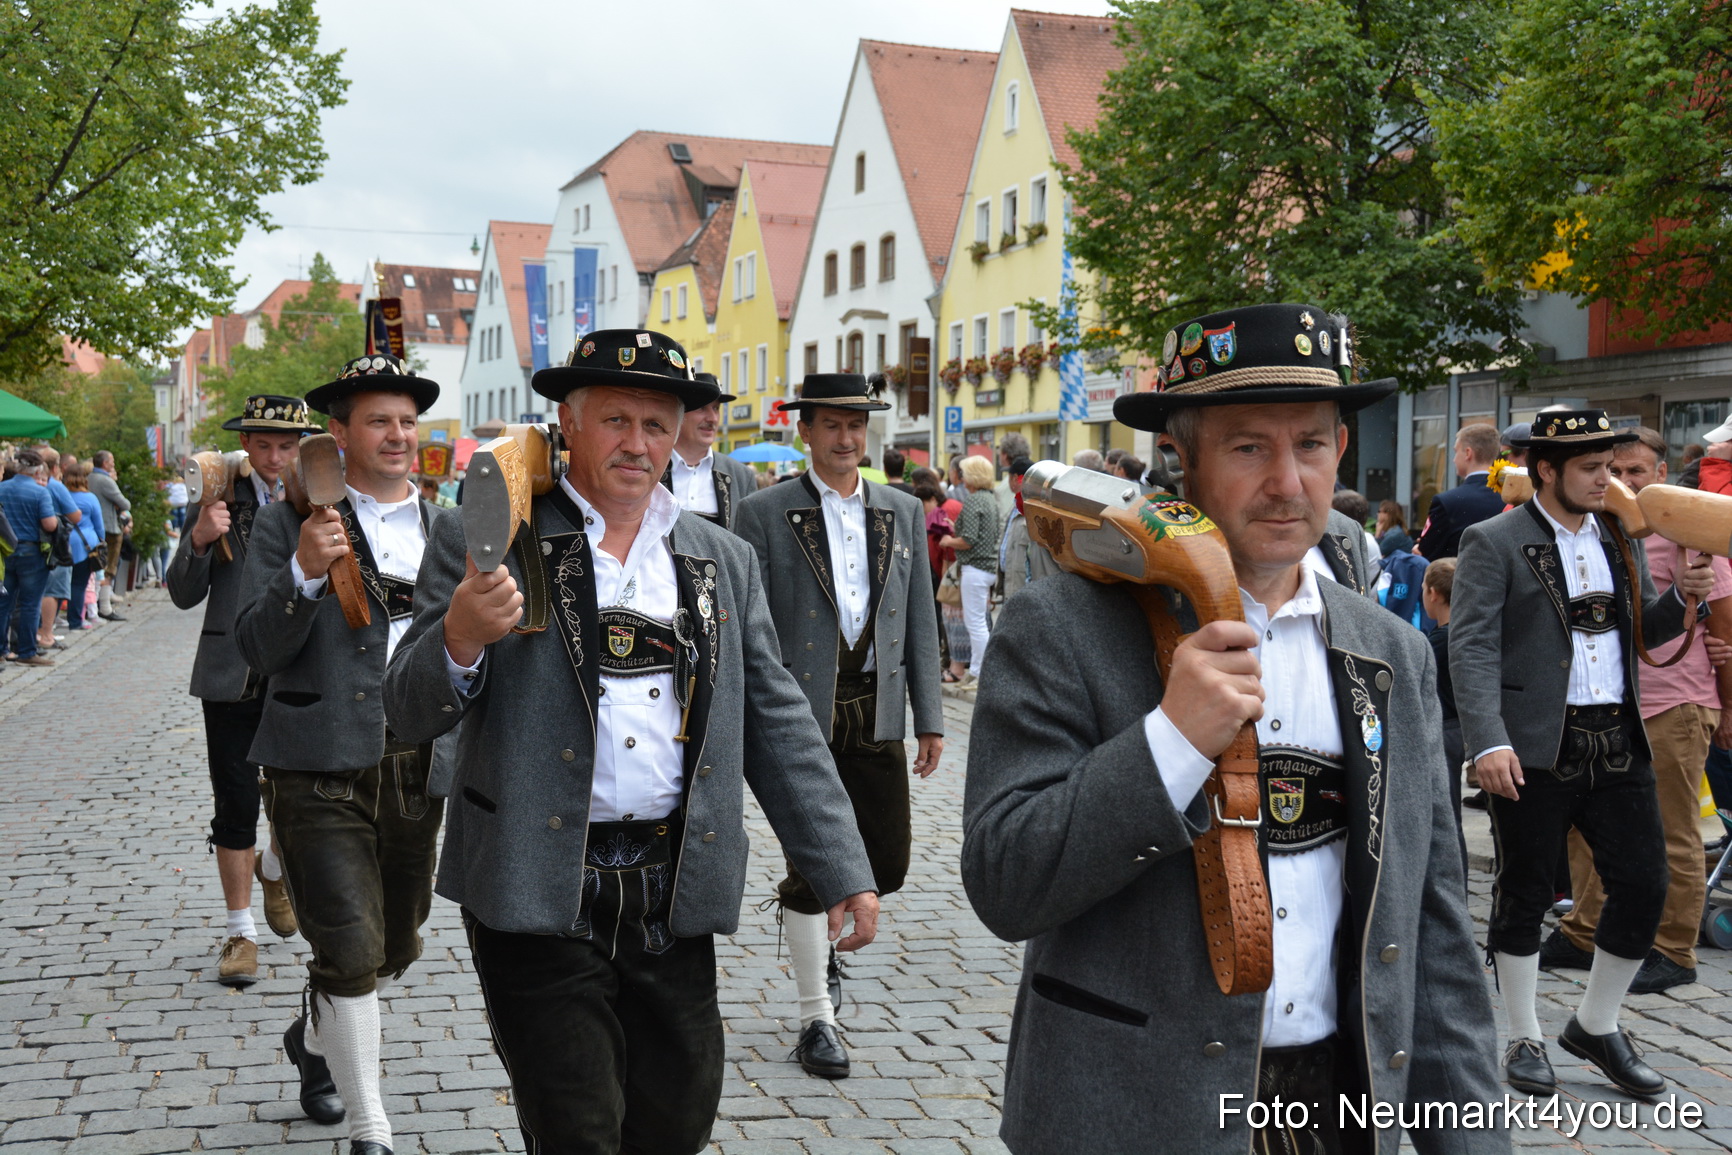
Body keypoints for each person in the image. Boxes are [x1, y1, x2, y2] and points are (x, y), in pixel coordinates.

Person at [963, 302, 1503, 1153]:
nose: (1288, 480)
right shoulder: (1061, 626)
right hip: (1132, 1112)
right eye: (1250, 446)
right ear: (1182, 459)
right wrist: (1170, 742)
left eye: (1312, 444)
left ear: (1340, 451)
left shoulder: (1391, 652)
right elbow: (1004, 879)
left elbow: (1434, 935)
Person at [382, 330, 877, 1152]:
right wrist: (460, 639)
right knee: (578, 1130)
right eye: (616, 420)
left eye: (657, 424)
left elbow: (777, 718)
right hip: (538, 887)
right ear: (567, 423)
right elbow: (404, 708)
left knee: (674, 1124)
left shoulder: (720, 558)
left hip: (672, 890)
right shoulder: (493, 533)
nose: (638, 444)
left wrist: (838, 864)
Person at [1452, 410, 1712, 1101]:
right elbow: (1471, 644)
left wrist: (1687, 596)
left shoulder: (1621, 538)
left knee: (1646, 882)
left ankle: (1595, 1023)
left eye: (1614, 466)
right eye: (1594, 468)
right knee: (1526, 889)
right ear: (1547, 470)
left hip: (1616, 739)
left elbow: (1647, 632)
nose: (1609, 480)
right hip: (1533, 745)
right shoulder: (1493, 539)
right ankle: (1524, 1033)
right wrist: (1488, 738)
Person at [235, 355, 451, 1153]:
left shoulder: (449, 528)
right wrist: (304, 571)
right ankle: (372, 1130)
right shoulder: (290, 521)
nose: (397, 434)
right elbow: (257, 644)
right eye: (378, 421)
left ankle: (313, 1036)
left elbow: (460, 653)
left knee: (395, 945)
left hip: (412, 764)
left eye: (406, 420)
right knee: (351, 950)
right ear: (339, 433)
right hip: (312, 758)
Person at [734, 372, 945, 1080]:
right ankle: (815, 1014)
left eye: (856, 425)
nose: (846, 438)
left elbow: (920, 616)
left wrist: (931, 717)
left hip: (876, 707)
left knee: (886, 860)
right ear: (806, 432)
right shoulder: (765, 512)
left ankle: (820, 940)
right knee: (813, 860)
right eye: (832, 424)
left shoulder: (901, 510)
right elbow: (746, 621)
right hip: (801, 708)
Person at [1541, 426, 1732, 994]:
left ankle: (1674, 947)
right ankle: (1584, 930)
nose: (1622, 482)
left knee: (1673, 829)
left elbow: (1722, 621)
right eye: (1613, 471)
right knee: (1586, 823)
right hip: (1607, 700)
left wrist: (1726, 705)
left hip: (1675, 699)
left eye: (1636, 472)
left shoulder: (1684, 529)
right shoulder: (1593, 529)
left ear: (1662, 474)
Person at [167, 394, 314, 988]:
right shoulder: (216, 496)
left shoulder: (319, 498)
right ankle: (239, 931)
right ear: (246, 444)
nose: (275, 456)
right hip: (232, 675)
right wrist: (200, 539)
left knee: (294, 801)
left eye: (287, 445)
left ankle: (275, 868)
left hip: (299, 673)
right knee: (236, 804)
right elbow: (181, 592)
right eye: (264, 444)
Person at [661, 371, 757, 529]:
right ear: (678, 412)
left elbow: (749, 539)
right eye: (702, 408)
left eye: (716, 408)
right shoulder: (652, 465)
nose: (712, 418)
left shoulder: (741, 476)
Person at [1420, 557, 1468, 875]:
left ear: (1433, 593)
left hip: (1445, 730)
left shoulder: (1435, 643)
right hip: (1465, 728)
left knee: (1446, 816)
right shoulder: (1470, 634)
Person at [940, 456, 1000, 686]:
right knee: (978, 622)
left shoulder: (975, 500)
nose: (962, 478)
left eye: (965, 473)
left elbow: (969, 540)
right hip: (986, 568)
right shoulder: (989, 499)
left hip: (975, 568)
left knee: (974, 623)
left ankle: (981, 672)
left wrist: (948, 540)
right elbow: (981, 534)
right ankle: (975, 669)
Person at [0, 450, 60, 666]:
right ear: (37, 470)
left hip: (4, 551)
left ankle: (2, 650)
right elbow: (49, 524)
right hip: (31, 551)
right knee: (30, 604)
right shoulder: (39, 492)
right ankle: (26, 650)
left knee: (3, 602)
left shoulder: (1, 488)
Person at [1415, 423, 1503, 559]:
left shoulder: (1447, 502)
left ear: (1468, 453)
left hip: (1456, 577)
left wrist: (1418, 550)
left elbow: (1426, 551)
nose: (1454, 459)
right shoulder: (1511, 497)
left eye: (1456, 452)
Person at [33, 447, 81, 653]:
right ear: (56, 467)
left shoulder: (30, 484)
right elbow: (75, 515)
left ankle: (37, 632)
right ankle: (46, 634)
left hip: (35, 543)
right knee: (52, 590)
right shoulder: (54, 486)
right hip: (55, 544)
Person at [88, 450, 131, 621]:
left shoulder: (90, 478)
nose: (113, 463)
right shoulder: (105, 480)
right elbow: (125, 503)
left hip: (94, 528)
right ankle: (105, 608)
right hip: (110, 528)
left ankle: (96, 605)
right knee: (109, 567)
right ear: (105, 464)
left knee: (96, 568)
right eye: (111, 460)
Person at [61, 464, 104, 632]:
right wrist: (102, 541)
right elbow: (99, 525)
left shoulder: (61, 496)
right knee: (79, 584)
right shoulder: (90, 498)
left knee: (62, 583)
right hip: (86, 544)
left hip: (63, 542)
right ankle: (75, 620)